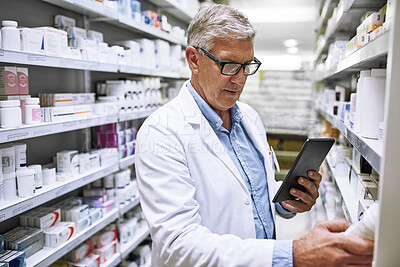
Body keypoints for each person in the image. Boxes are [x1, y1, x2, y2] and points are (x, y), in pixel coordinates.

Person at [135, 4, 374, 267]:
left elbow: (256, 195)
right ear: (194, 59)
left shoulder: (249, 117)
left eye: (247, 66)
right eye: (228, 65)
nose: (240, 80)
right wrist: (293, 254)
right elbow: (177, 245)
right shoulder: (161, 132)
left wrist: (288, 201)